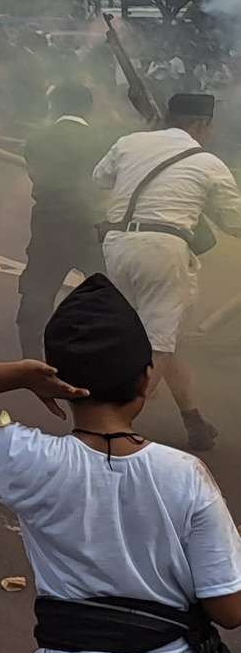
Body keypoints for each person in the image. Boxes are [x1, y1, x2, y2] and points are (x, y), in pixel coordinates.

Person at [0, 276, 241, 653]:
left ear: (59, 381)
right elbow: (229, 609)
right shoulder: (186, 476)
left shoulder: (32, 461)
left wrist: (21, 375)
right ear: (147, 377)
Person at [94, 92, 241, 452]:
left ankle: (194, 420)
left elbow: (100, 178)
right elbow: (234, 221)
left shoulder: (130, 141)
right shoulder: (208, 162)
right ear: (202, 124)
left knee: (164, 338)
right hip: (163, 251)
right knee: (159, 345)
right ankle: (110, 429)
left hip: (117, 245)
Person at [16, 83, 112, 358]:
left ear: (54, 106)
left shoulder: (37, 139)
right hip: (90, 226)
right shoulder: (102, 140)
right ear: (88, 108)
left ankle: (31, 360)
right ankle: (101, 353)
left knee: (37, 293)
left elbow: (35, 175)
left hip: (48, 224)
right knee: (105, 291)